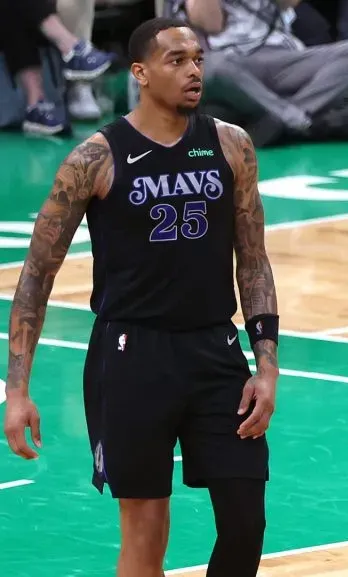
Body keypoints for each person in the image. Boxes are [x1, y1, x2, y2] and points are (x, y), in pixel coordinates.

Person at [2, 17, 279, 577]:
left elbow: (253, 259)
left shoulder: (232, 146)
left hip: (214, 352)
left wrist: (267, 363)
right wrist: (18, 389)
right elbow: (36, 274)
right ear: (141, 73)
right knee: (147, 533)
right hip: (130, 358)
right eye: (176, 60)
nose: (193, 70)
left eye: (198, 58)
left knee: (247, 523)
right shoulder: (95, 158)